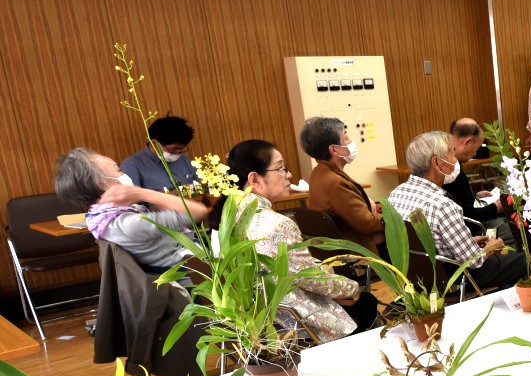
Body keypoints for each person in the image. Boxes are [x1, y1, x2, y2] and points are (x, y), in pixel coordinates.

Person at [225, 139, 377, 341]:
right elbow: (311, 279)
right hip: (300, 324)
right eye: (280, 168)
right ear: (255, 180)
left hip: (260, 322)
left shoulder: (229, 219)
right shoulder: (277, 224)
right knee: (367, 301)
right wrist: (351, 288)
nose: (288, 175)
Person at [388, 131, 530, 291]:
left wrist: (470, 242)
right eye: (451, 153)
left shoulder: (396, 194)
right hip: (457, 279)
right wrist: (491, 247)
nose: (455, 160)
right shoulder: (442, 205)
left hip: (417, 278)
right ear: (437, 163)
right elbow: (475, 261)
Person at [54, 147, 209, 274]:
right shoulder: (128, 224)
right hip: (192, 277)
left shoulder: (102, 218)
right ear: (102, 183)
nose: (124, 173)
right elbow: (198, 211)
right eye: (118, 169)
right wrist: (143, 193)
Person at [299, 116, 385, 255]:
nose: (350, 141)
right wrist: (393, 216)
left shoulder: (319, 172)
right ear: (334, 150)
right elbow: (367, 224)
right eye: (345, 138)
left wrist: (380, 208)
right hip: (361, 256)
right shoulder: (335, 183)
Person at [446, 118, 506, 225]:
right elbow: (468, 217)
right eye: (477, 148)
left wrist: (473, 195)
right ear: (468, 142)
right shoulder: (452, 170)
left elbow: (458, 200)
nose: (475, 154)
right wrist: (496, 207)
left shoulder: (448, 160)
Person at [121, 115, 198, 192]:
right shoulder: (131, 166)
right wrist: (173, 195)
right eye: (174, 149)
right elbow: (131, 201)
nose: (177, 153)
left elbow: (200, 187)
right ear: (154, 143)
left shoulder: (184, 159)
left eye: (181, 149)